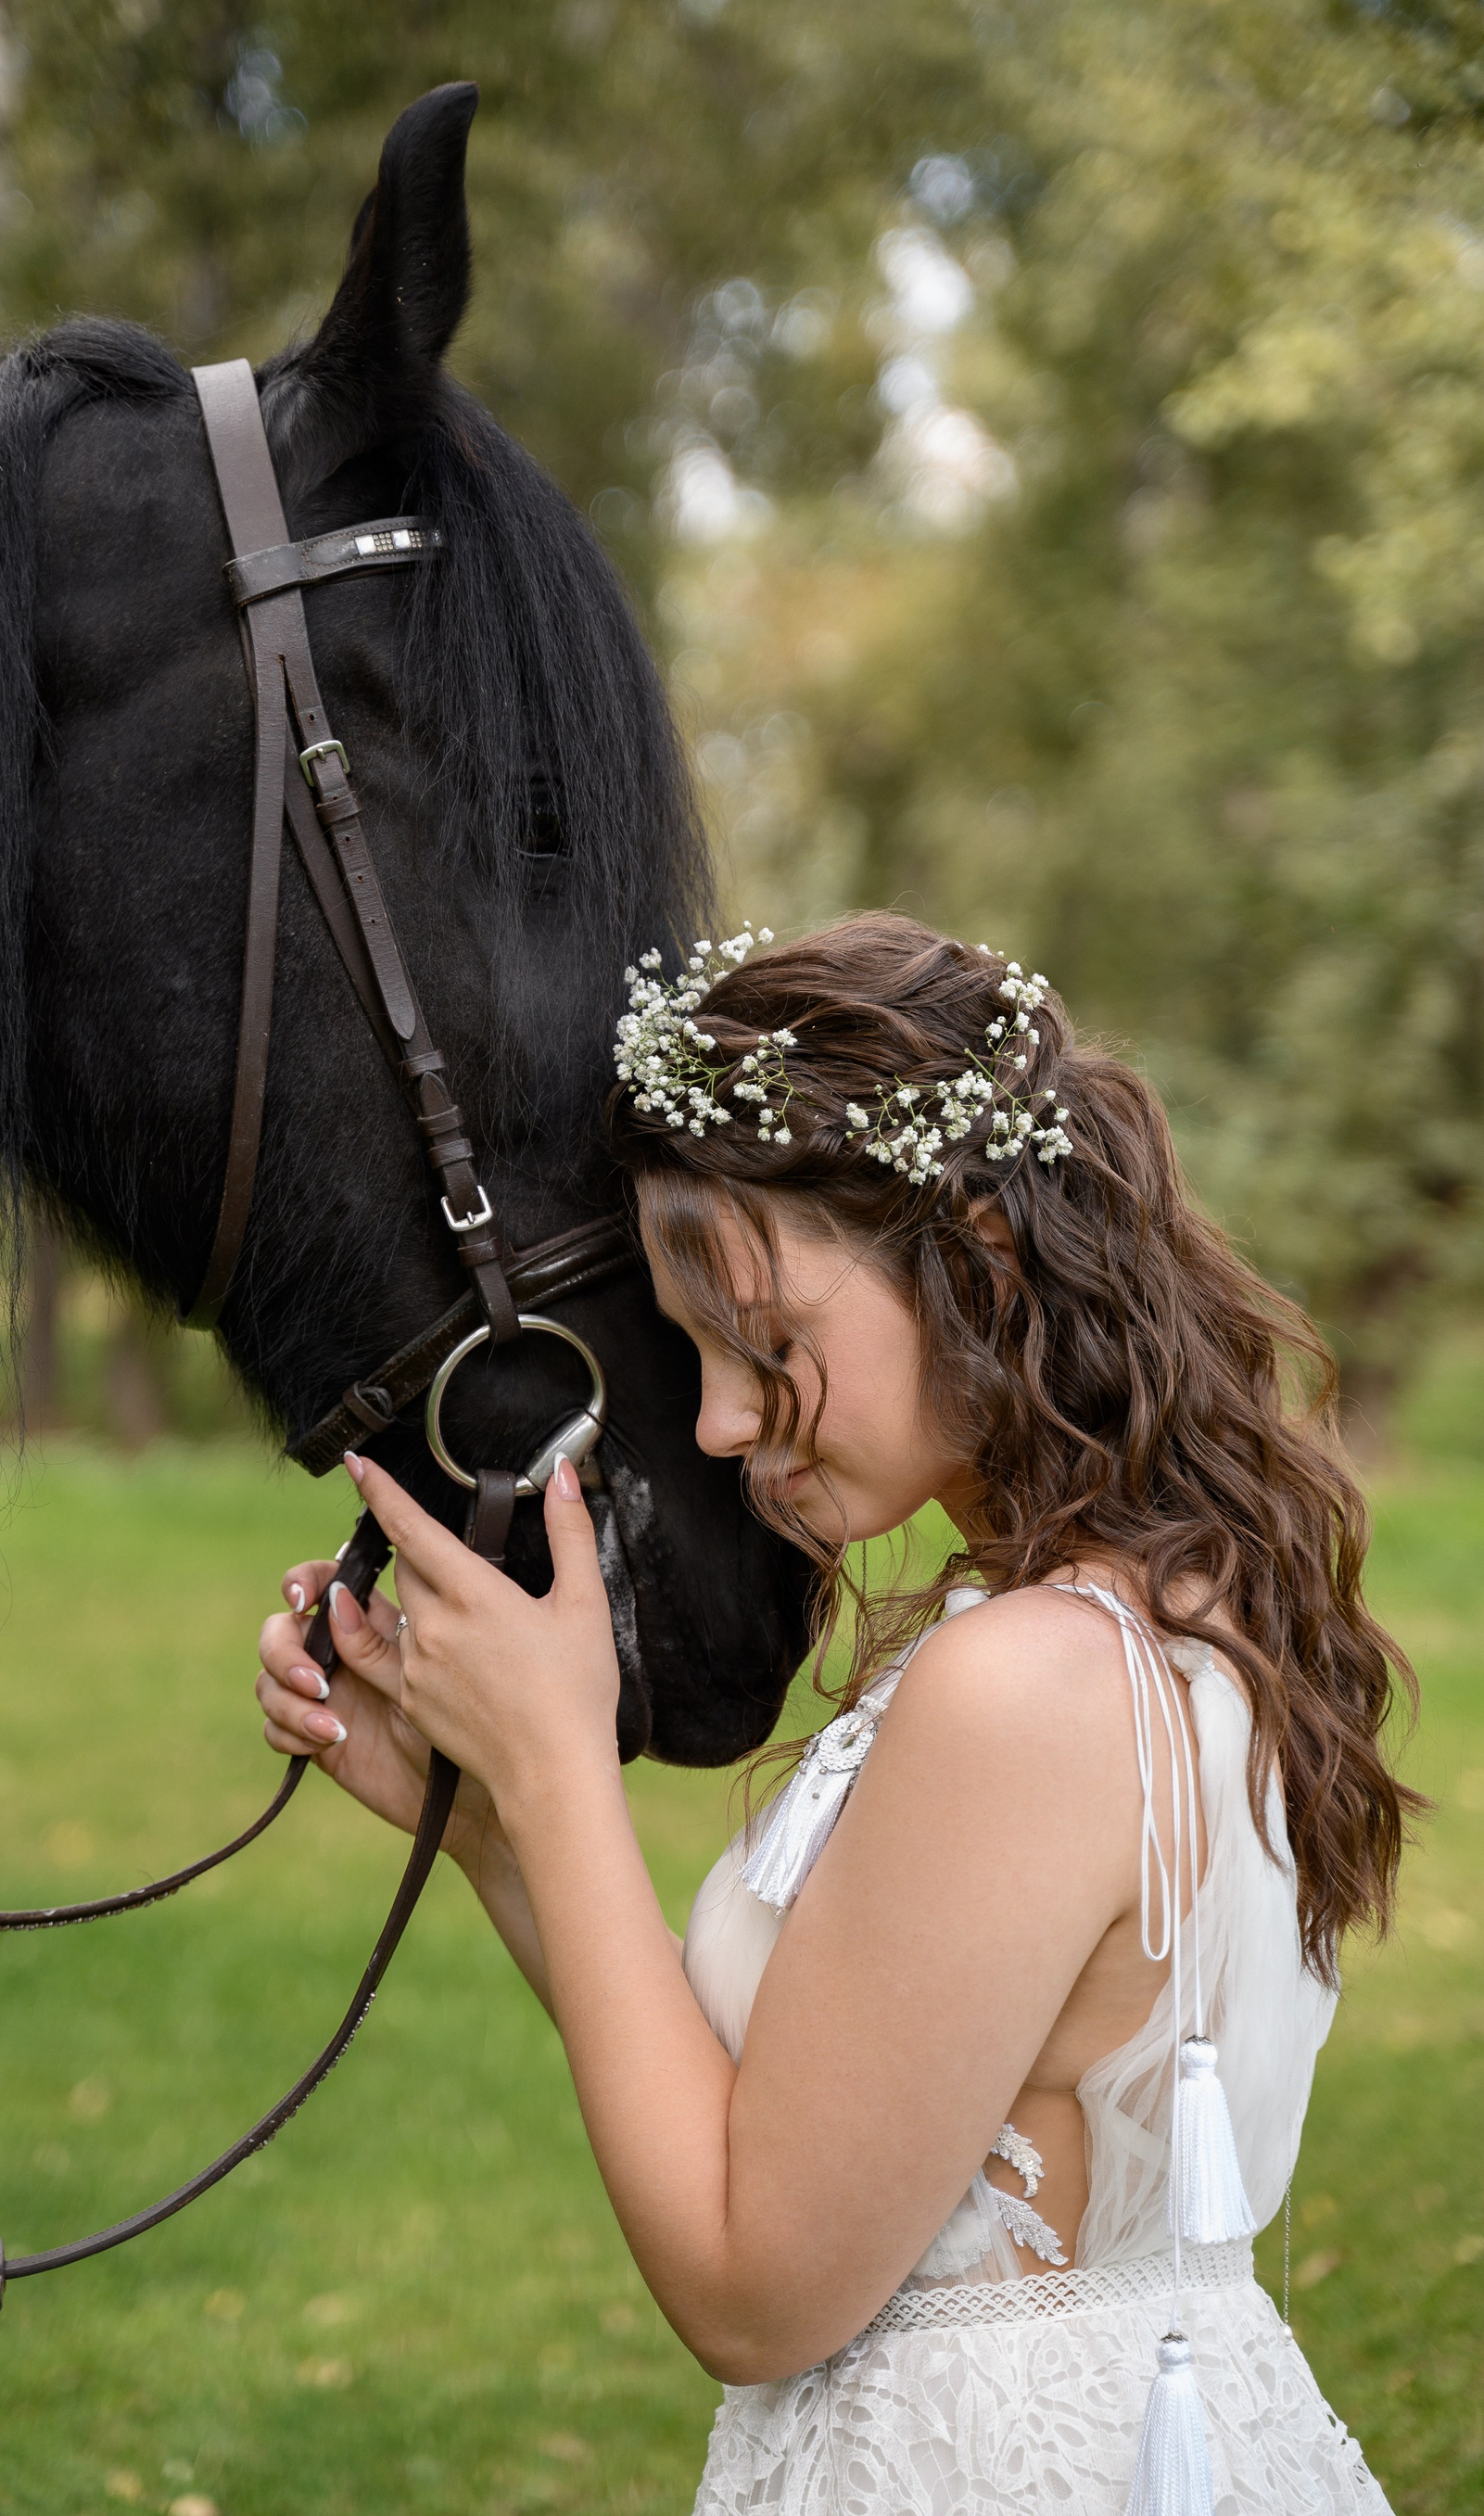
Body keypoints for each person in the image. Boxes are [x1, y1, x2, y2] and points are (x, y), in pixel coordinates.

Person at [255, 912, 1410, 2515]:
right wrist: (499, 1825)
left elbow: (756, 2290)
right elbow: (778, 2130)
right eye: (696, 1357)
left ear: (978, 1257)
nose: (722, 1421)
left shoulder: (1029, 1686)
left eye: (768, 1343)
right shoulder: (1134, 1608)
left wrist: (560, 1761)